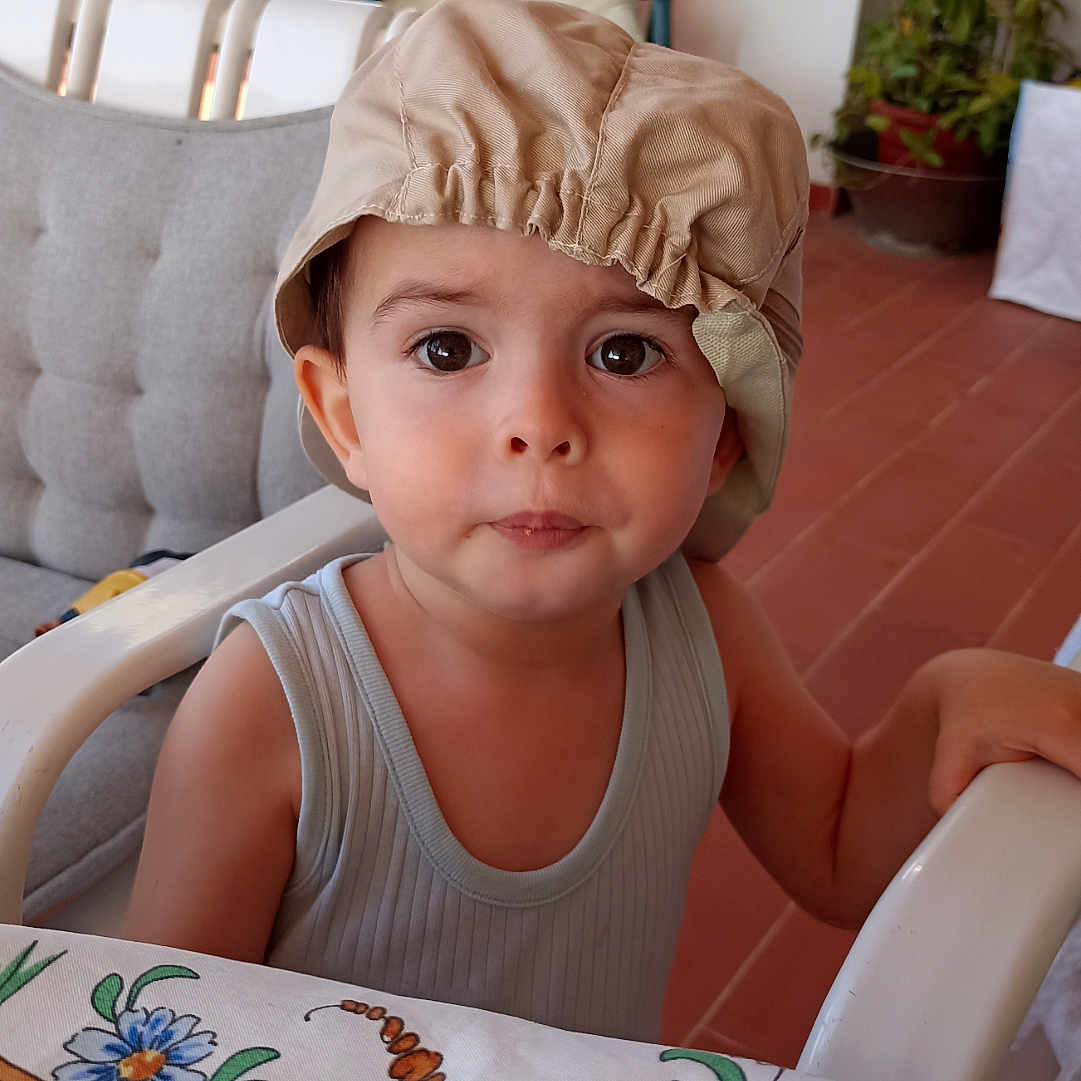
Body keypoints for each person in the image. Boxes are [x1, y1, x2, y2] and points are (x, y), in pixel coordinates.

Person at [124, 0, 1081, 1045]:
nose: (538, 426)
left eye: (624, 353)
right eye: (449, 349)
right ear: (343, 412)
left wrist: (947, 704)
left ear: (725, 434)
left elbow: (842, 849)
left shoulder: (697, 629)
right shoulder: (273, 701)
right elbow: (166, 1033)